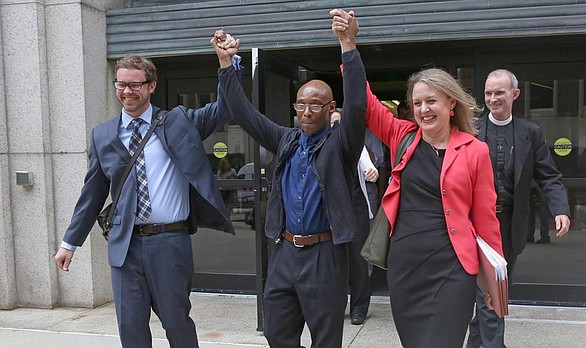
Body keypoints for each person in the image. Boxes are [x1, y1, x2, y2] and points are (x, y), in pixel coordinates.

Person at [53, 33, 240, 348]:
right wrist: (69, 242)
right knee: (130, 326)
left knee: (176, 320)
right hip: (124, 245)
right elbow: (92, 194)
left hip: (170, 241)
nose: (127, 91)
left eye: (135, 85)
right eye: (121, 84)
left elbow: (226, 108)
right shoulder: (102, 136)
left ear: (151, 86)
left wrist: (226, 63)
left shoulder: (179, 122)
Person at [334, 12, 504, 347]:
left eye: (431, 101)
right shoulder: (403, 137)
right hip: (407, 267)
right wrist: (347, 45)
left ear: (451, 104)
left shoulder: (475, 150)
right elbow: (365, 102)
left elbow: (486, 221)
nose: (423, 109)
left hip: (454, 268)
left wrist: (493, 285)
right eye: (417, 104)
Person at [213, 10, 368, 347]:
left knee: (326, 339)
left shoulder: (341, 143)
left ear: (330, 109)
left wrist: (347, 44)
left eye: (315, 105)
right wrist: (227, 67)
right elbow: (245, 114)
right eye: (301, 105)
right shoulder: (285, 140)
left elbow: (357, 105)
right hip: (284, 251)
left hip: (325, 255)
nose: (307, 112)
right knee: (277, 334)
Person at [467, 69, 571, 348]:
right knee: (491, 290)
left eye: (499, 92)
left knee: (494, 288)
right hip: (476, 224)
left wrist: (560, 209)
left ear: (515, 94)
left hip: (511, 224)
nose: (492, 98)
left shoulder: (531, 133)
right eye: (488, 93)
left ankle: (474, 343)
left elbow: (548, 175)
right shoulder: (471, 129)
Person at [331, 110, 380, 325]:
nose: (336, 128)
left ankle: (359, 307)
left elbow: (369, 167)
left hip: (356, 206)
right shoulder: (323, 146)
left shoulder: (356, 146)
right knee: (333, 260)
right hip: (332, 209)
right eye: (332, 124)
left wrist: (373, 173)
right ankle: (336, 305)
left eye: (339, 123)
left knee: (358, 260)